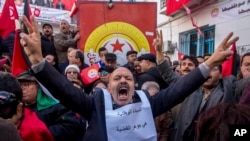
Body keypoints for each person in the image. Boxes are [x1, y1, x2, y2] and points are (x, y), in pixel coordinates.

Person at [19, 15, 238, 141]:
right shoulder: (94, 104)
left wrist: (208, 64)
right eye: (116, 78)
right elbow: (63, 91)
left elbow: (179, 90)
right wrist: (39, 63)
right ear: (108, 86)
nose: (123, 80)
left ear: (134, 86)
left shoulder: (148, 103)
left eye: (128, 78)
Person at [17, 71, 85, 141]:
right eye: (20, 86)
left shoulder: (54, 103)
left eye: (26, 85)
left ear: (37, 85)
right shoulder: (16, 109)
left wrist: (42, 133)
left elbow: (71, 125)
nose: (22, 89)